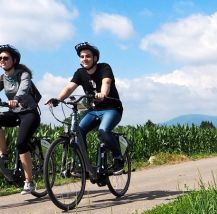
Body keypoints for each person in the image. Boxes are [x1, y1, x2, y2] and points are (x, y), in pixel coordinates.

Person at [47, 42, 124, 174]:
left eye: (88, 56)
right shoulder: (80, 72)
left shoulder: (104, 67)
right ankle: (85, 165)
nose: (84, 59)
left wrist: (103, 94)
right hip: (94, 111)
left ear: (95, 58)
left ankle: (118, 158)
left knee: (103, 131)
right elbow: (69, 88)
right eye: (82, 57)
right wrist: (58, 99)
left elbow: (107, 82)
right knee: (78, 132)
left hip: (112, 108)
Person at [0, 44, 40, 195]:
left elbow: (23, 88)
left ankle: (29, 182)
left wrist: (16, 99)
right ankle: (3, 154)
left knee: (21, 143)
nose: (2, 60)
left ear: (14, 60)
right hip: (15, 113)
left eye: (5, 58)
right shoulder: (3, 78)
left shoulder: (23, 74)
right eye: (0, 58)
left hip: (29, 113)